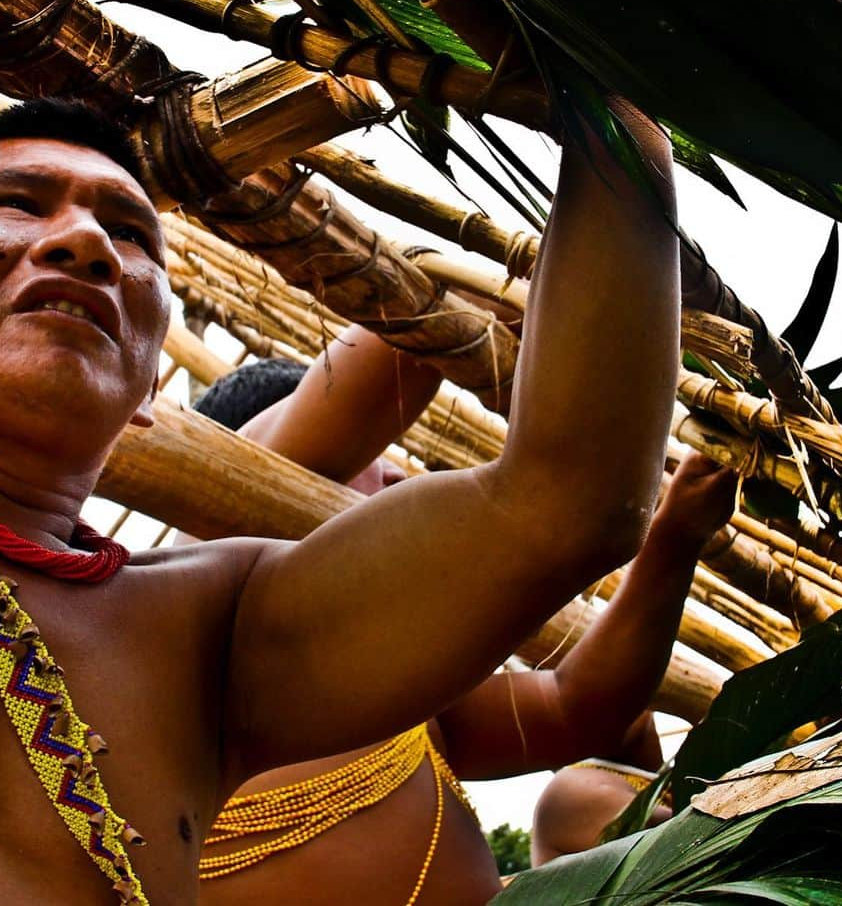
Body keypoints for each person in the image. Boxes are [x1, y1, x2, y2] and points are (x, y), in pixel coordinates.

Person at [0, 0, 682, 901]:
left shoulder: (208, 633)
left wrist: (614, 127)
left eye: (132, 236)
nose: (88, 243)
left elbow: (569, 502)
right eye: (15, 203)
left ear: (148, 392)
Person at [185, 337, 735, 904]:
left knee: (572, 800)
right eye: (373, 455)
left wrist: (675, 538)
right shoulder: (203, 621)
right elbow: (370, 380)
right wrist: (512, 293)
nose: (398, 474)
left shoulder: (390, 695)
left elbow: (578, 706)